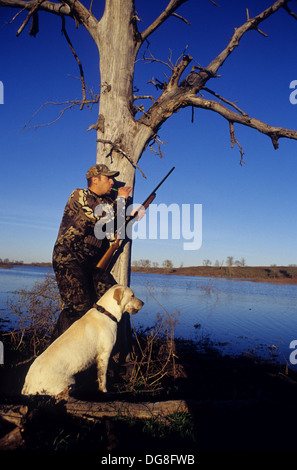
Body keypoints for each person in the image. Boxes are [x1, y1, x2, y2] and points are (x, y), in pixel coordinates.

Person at [51, 163, 132, 341]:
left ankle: (104, 353)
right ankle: (50, 354)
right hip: (69, 259)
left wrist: (131, 212)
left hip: (92, 265)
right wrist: (121, 200)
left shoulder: (107, 202)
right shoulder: (80, 194)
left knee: (112, 297)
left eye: (113, 179)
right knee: (79, 308)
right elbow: (103, 218)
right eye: (108, 178)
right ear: (95, 179)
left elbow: (116, 225)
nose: (112, 182)